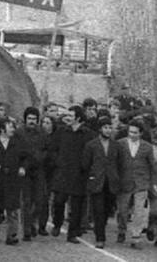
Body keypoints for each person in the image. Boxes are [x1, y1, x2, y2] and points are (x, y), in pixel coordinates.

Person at [49, 106, 95, 244]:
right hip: (62, 173)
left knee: (77, 207)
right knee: (58, 201)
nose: (67, 117)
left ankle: (72, 234)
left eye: (70, 115)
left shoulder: (88, 134)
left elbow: (91, 154)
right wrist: (58, 162)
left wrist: (84, 167)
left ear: (78, 118)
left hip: (79, 175)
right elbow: (53, 149)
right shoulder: (62, 131)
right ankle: (57, 223)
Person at [115, 119, 157, 249]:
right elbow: (115, 163)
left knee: (139, 211)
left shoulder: (147, 147)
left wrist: (154, 183)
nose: (132, 135)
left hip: (141, 183)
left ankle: (136, 236)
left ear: (140, 133)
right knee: (122, 211)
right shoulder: (120, 144)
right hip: (124, 182)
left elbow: (154, 166)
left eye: (135, 132)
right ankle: (122, 230)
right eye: (130, 132)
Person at [82, 116, 119, 249]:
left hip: (111, 182)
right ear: (100, 129)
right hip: (97, 181)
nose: (108, 130)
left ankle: (100, 229)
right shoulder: (91, 145)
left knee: (107, 210)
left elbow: (119, 164)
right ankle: (100, 237)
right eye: (105, 127)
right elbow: (86, 164)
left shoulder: (116, 145)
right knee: (98, 210)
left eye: (110, 127)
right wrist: (90, 177)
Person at [16, 106, 48, 240]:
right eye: (29, 118)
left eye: (34, 119)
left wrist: (40, 158)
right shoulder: (19, 133)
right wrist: (21, 166)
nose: (32, 121)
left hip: (39, 170)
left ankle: (33, 221)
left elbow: (47, 150)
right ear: (25, 119)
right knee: (26, 201)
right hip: (25, 170)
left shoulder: (42, 133)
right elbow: (16, 151)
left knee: (39, 201)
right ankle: (27, 230)